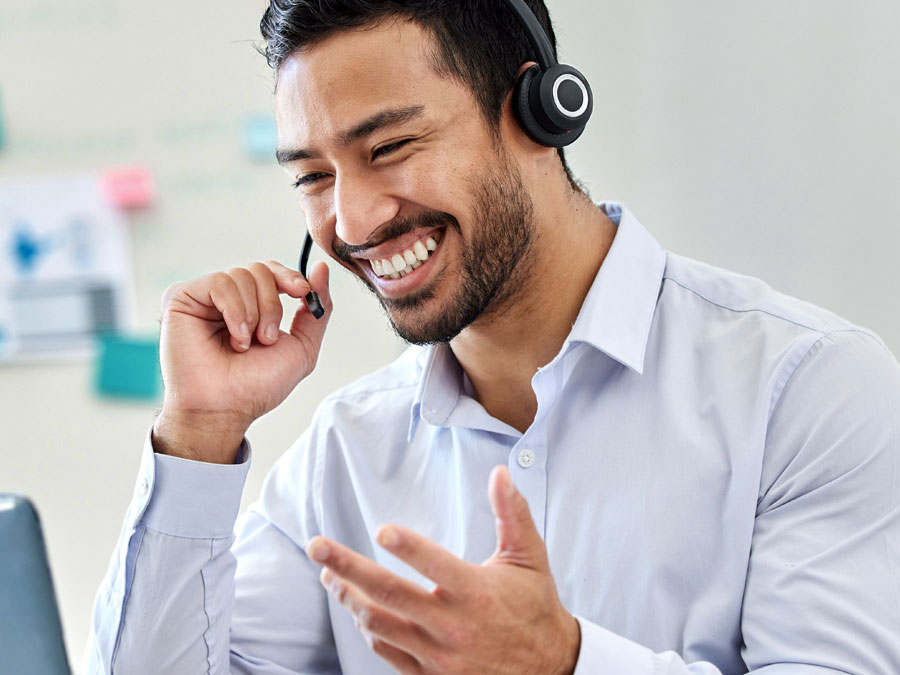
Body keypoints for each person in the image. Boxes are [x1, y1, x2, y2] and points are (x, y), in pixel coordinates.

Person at [86, 1, 900, 673]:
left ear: (541, 110)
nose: (354, 219)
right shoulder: (343, 457)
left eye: (391, 147)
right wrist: (197, 434)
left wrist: (564, 661)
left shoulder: (807, 388)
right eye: (313, 176)